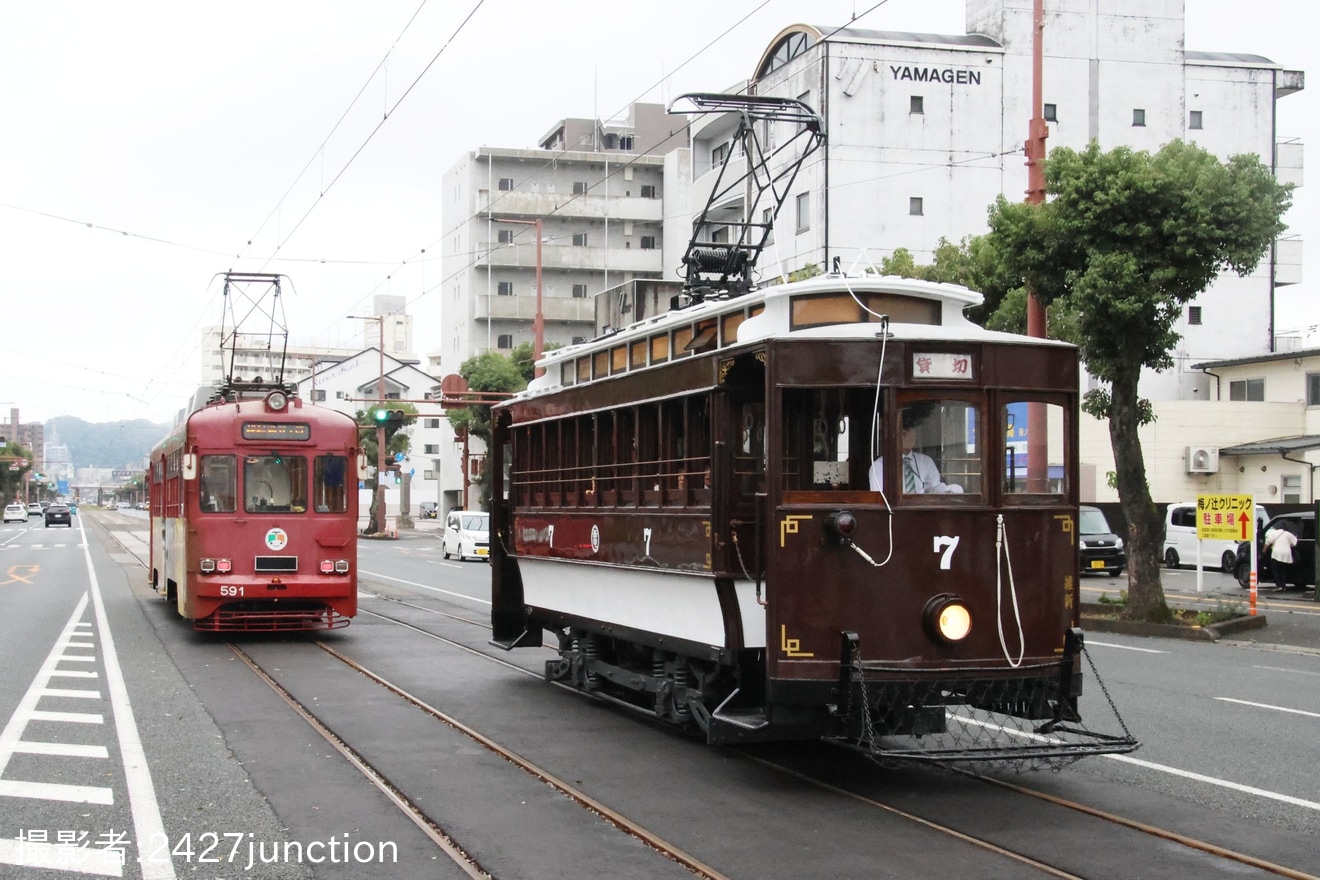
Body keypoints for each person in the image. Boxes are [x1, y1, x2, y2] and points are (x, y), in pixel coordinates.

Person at [869, 409, 963, 494]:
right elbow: (879, 498)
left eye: (912, 432)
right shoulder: (880, 466)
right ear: (894, 436)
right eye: (904, 434)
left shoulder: (925, 461)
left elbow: (934, 488)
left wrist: (951, 489)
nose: (910, 437)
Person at [1264, 523, 1297, 589]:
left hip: (1277, 554)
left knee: (1275, 570)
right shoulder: (1288, 534)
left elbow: (1268, 542)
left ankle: (1279, 585)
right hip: (1286, 554)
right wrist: (1289, 545)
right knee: (1282, 570)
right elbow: (1295, 542)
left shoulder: (1274, 533)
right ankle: (1283, 586)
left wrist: (1264, 550)